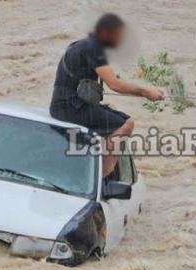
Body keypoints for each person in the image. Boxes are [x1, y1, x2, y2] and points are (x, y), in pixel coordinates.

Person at [50, 13, 165, 178]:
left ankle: (92, 166)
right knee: (125, 123)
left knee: (111, 123)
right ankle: (105, 177)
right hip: (71, 108)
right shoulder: (94, 50)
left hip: (63, 106)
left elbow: (111, 79)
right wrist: (147, 92)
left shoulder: (82, 45)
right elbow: (114, 84)